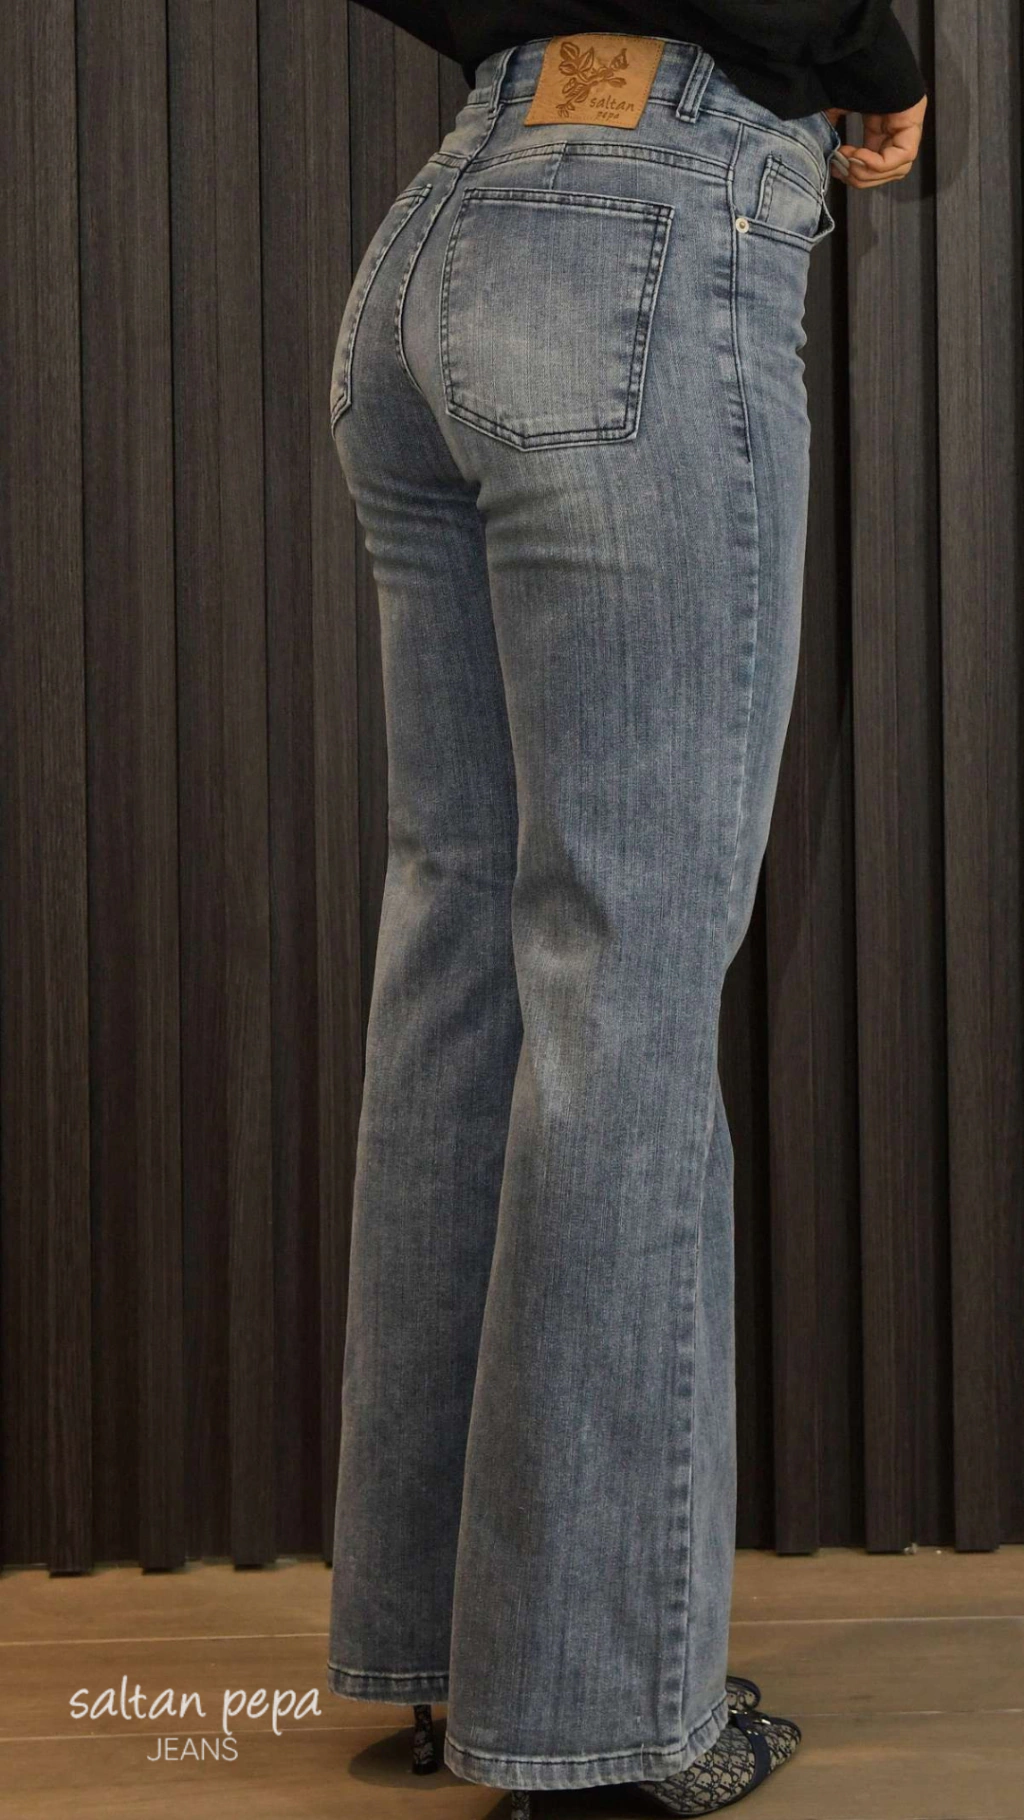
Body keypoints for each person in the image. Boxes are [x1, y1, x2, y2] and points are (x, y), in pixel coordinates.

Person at [325, 10, 927, 1816]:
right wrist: (876, 53)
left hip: (440, 233)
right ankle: (585, 1722)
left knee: (463, 950)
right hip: (645, 231)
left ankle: (458, 1658)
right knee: (620, 982)